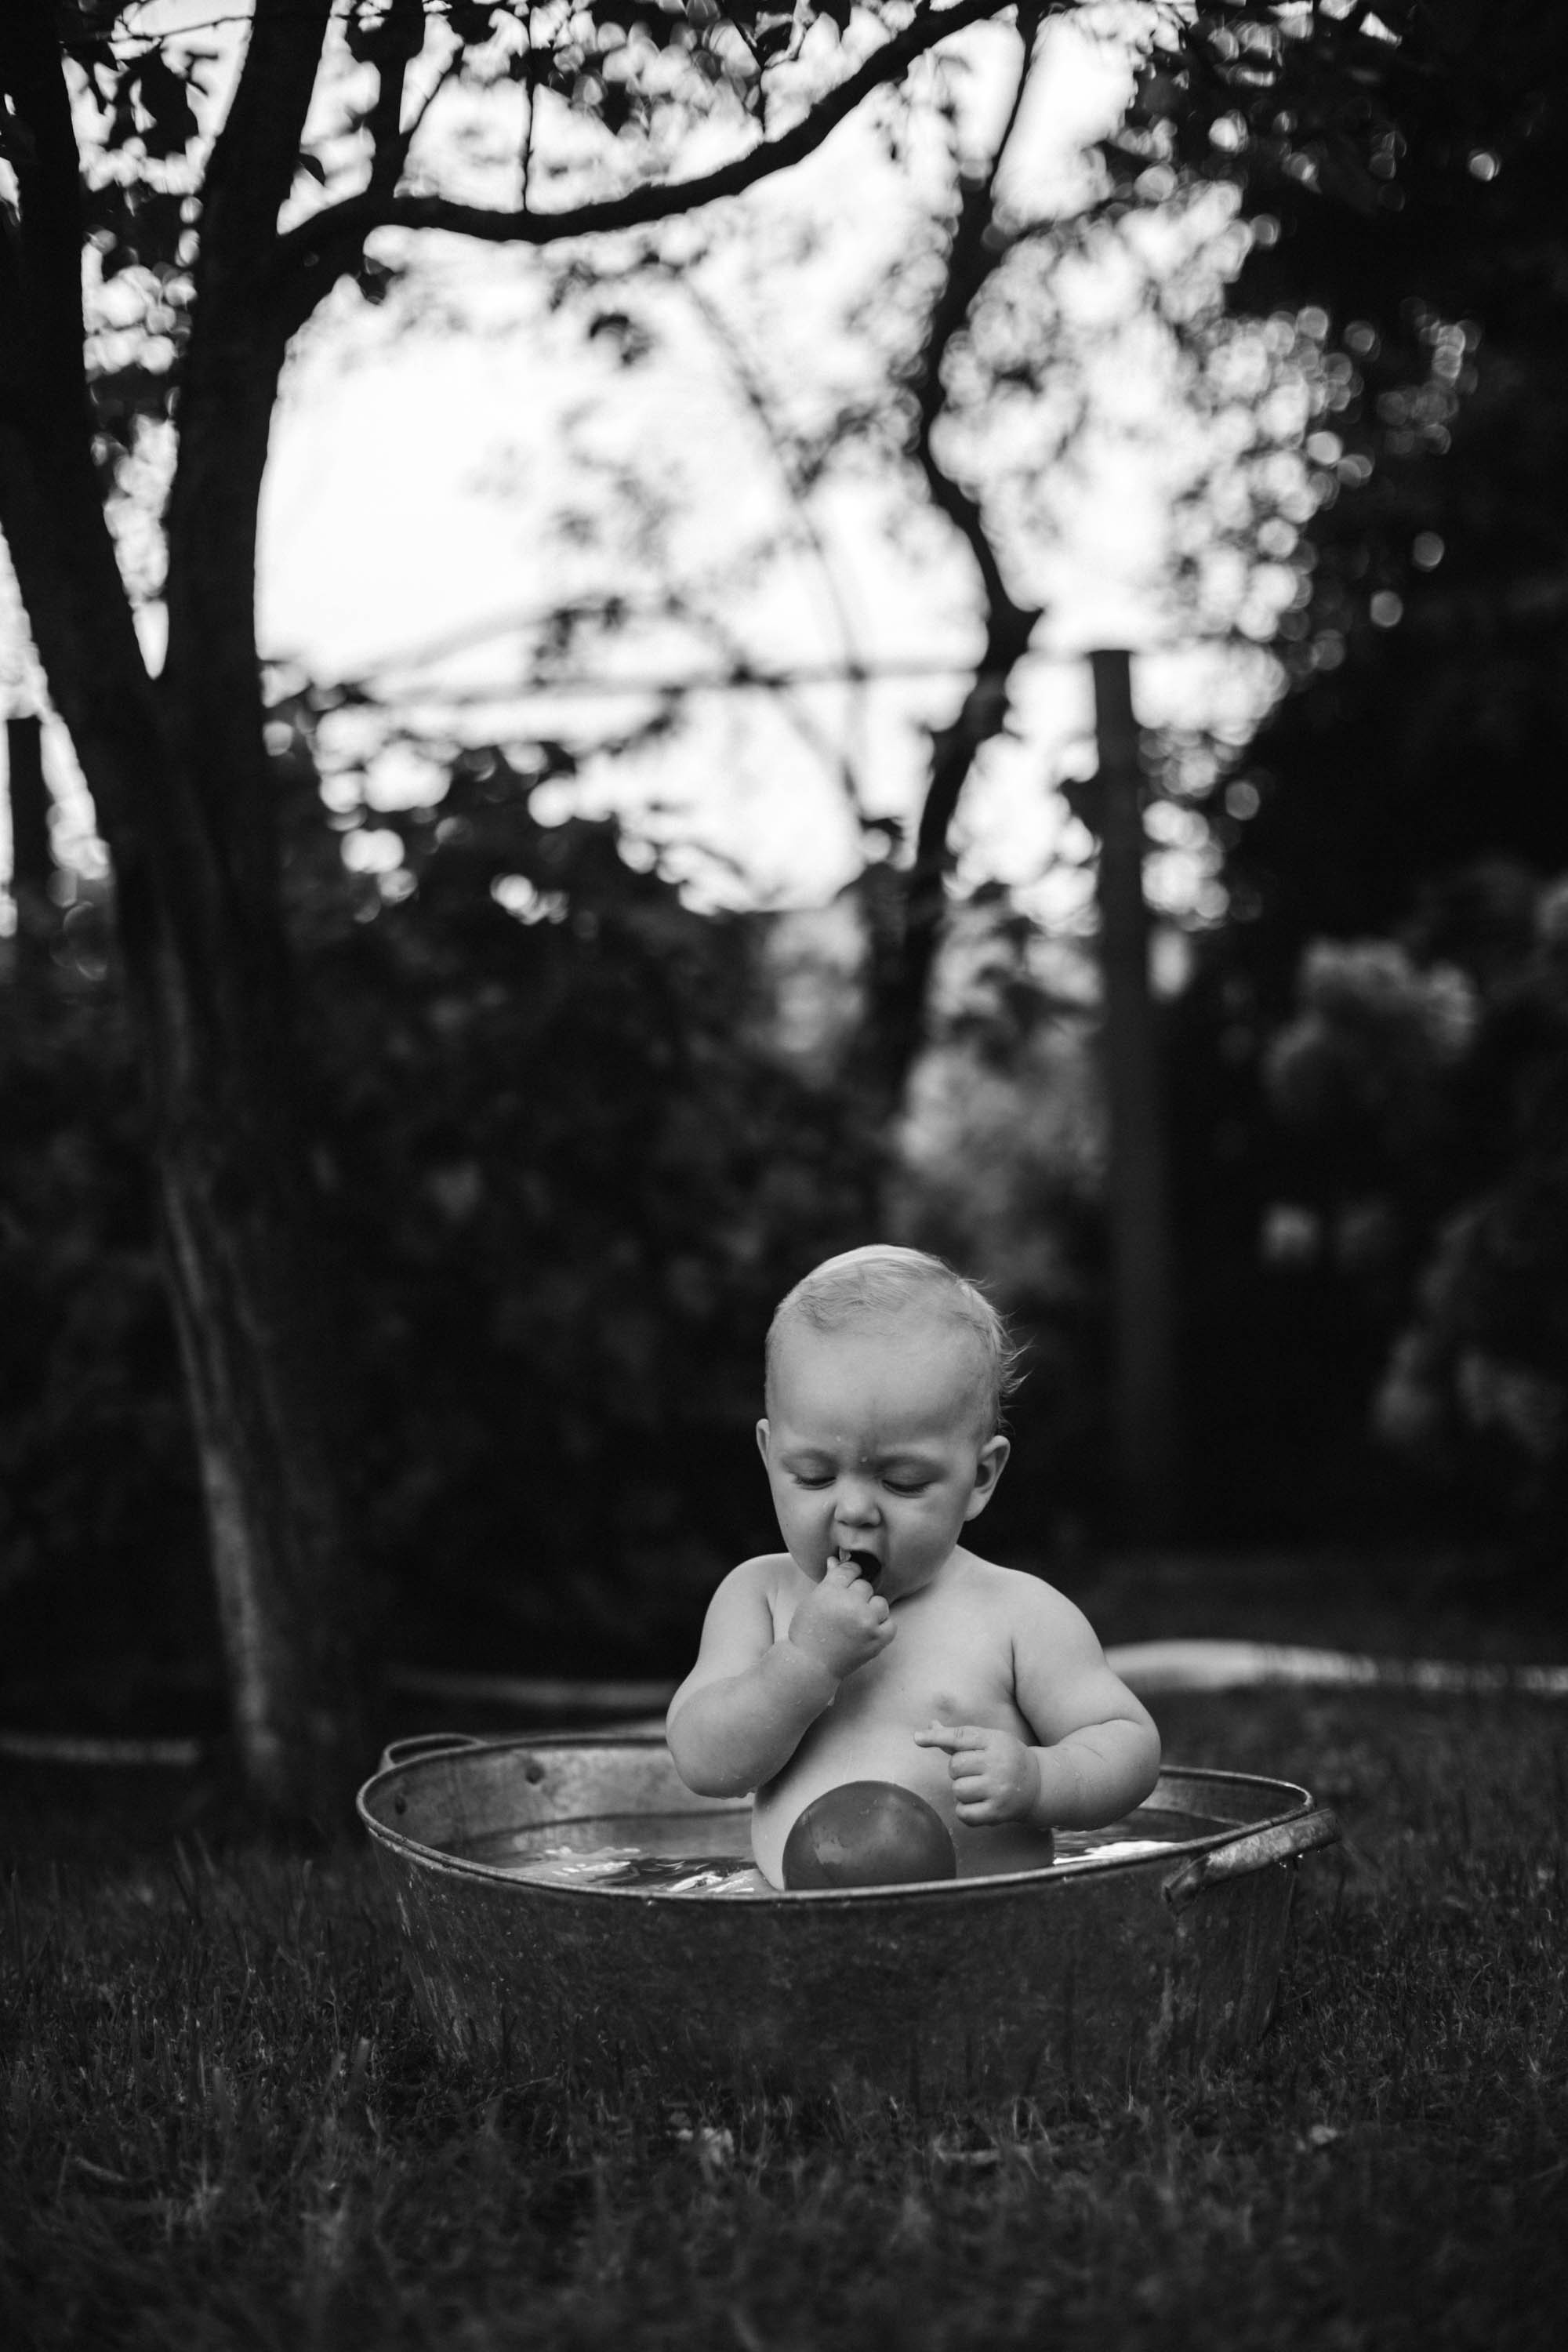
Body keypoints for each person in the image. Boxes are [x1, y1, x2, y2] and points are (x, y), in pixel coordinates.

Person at [666, 1245, 1161, 1887]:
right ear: (770, 1456)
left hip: (983, 1928)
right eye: (814, 1475)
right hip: (788, 1929)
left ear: (980, 1476)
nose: (854, 1510)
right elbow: (703, 1761)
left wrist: (1042, 1780)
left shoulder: (1017, 1615)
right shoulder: (759, 1598)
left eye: (901, 1482)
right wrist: (803, 1664)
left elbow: (1127, 1743)